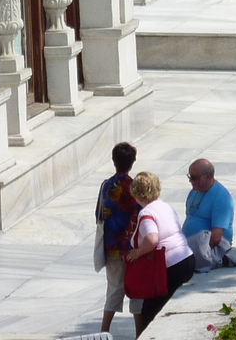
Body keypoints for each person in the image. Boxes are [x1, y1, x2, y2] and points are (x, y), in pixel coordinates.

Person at [126, 171, 196, 335]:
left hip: (171, 266)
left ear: (137, 193)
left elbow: (152, 239)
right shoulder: (165, 206)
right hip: (187, 258)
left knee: (149, 313)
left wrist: (137, 253)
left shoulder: (146, 213)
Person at [95, 142, 140, 335]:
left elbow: (98, 213)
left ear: (113, 161)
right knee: (137, 290)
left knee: (114, 288)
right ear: (132, 163)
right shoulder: (134, 187)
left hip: (112, 246)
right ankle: (140, 332)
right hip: (132, 247)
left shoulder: (106, 185)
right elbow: (139, 213)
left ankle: (104, 330)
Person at [184, 158, 236, 272]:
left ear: (208, 176)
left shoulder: (221, 197)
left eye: (194, 178)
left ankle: (218, 260)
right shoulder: (195, 191)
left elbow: (216, 238)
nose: (191, 181)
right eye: (190, 177)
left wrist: (200, 252)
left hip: (210, 246)